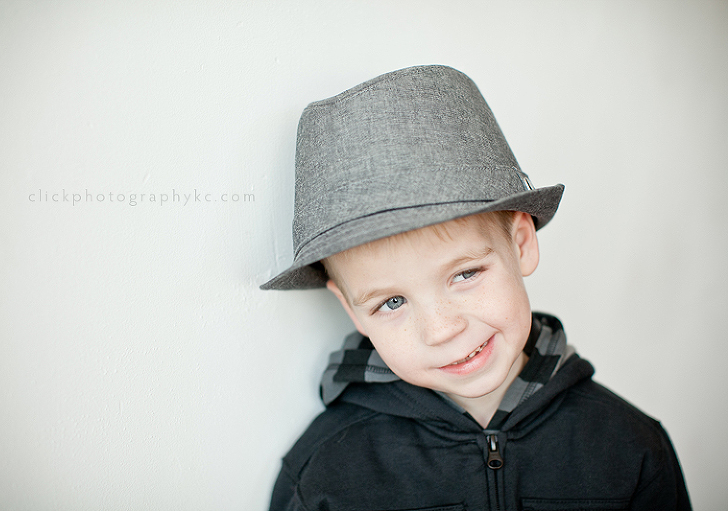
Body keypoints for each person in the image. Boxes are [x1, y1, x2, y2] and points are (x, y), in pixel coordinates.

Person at [261, 65, 691, 511]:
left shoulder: (629, 448)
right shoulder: (324, 472)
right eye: (392, 302)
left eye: (464, 274)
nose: (441, 330)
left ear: (521, 244)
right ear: (351, 311)